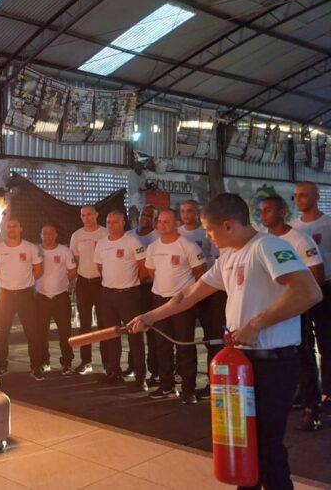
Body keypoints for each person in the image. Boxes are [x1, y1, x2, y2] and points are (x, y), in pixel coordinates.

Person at [130, 193, 322, 490]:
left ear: (229, 225)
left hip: (274, 363)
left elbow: (309, 292)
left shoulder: (268, 247)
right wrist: (151, 316)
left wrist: (257, 324)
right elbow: (190, 294)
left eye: (209, 229)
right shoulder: (229, 256)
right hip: (242, 364)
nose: (206, 235)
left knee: (267, 449)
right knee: (241, 443)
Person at [260, 195, 324, 431]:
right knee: (281, 356)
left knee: (304, 355)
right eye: (261, 211)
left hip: (296, 309)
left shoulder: (299, 240)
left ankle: (312, 406)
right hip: (272, 309)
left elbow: (316, 276)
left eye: (268, 210)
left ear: (282, 212)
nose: (263, 215)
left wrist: (300, 304)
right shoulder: (262, 240)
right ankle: (293, 395)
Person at [144, 209, 206, 404]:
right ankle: (167, 386)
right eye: (160, 221)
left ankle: (188, 390)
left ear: (176, 223)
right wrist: (164, 291)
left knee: (184, 345)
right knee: (162, 345)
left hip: (182, 303)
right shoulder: (153, 247)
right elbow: (152, 271)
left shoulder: (187, 245)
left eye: (167, 221)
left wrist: (185, 295)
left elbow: (200, 272)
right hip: (159, 300)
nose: (162, 225)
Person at [94, 210, 148, 390]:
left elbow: (144, 268)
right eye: (108, 222)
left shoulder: (132, 241)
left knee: (135, 336)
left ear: (123, 222)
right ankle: (114, 372)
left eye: (115, 222)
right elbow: (100, 266)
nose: (111, 225)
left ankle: (140, 378)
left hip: (129, 295)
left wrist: (131, 284)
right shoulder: (101, 243)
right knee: (110, 335)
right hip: (108, 295)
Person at [290, 181, 331, 411]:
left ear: (316, 196)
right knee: (302, 345)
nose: (299, 199)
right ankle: (306, 391)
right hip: (300, 291)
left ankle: (329, 391)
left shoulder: (328, 224)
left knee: (327, 342)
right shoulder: (292, 228)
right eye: (296, 196)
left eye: (304, 195)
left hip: (326, 289)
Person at [0, 218, 44, 379]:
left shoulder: (30, 247)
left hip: (25, 294)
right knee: (2, 332)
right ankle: (0, 366)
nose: (12, 229)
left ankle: (36, 366)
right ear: (6, 229)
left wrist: (27, 282)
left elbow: (38, 269)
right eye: (9, 227)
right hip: (5, 295)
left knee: (32, 332)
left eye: (15, 226)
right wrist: (3, 282)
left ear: (21, 229)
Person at [179, 200, 226, 388]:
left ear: (198, 213)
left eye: (189, 211)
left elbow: (216, 260)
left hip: (208, 290)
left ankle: (213, 382)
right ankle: (185, 382)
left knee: (212, 338)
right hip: (186, 291)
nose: (185, 214)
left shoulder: (207, 233)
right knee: (184, 339)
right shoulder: (177, 234)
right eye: (182, 211)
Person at [70, 205, 108, 375]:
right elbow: (75, 259)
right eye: (83, 215)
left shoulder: (105, 233)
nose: (86, 218)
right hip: (83, 283)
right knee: (84, 325)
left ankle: (108, 364)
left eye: (89, 214)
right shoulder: (76, 236)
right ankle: (86, 362)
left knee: (104, 324)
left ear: (96, 215)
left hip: (102, 283)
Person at [36, 224, 77, 374]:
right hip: (41, 297)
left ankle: (67, 363)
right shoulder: (36, 251)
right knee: (41, 332)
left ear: (56, 235)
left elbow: (72, 271)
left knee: (65, 332)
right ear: (41, 235)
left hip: (60, 297)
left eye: (50, 233)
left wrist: (61, 283)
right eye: (44, 233)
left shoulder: (64, 251)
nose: (47, 236)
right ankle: (43, 361)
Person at [131, 204, 160, 384]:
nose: (145, 217)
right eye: (143, 214)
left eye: (150, 215)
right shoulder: (129, 235)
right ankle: (134, 365)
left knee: (151, 330)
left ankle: (155, 370)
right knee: (133, 328)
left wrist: (142, 279)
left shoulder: (157, 237)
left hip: (150, 287)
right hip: (133, 289)